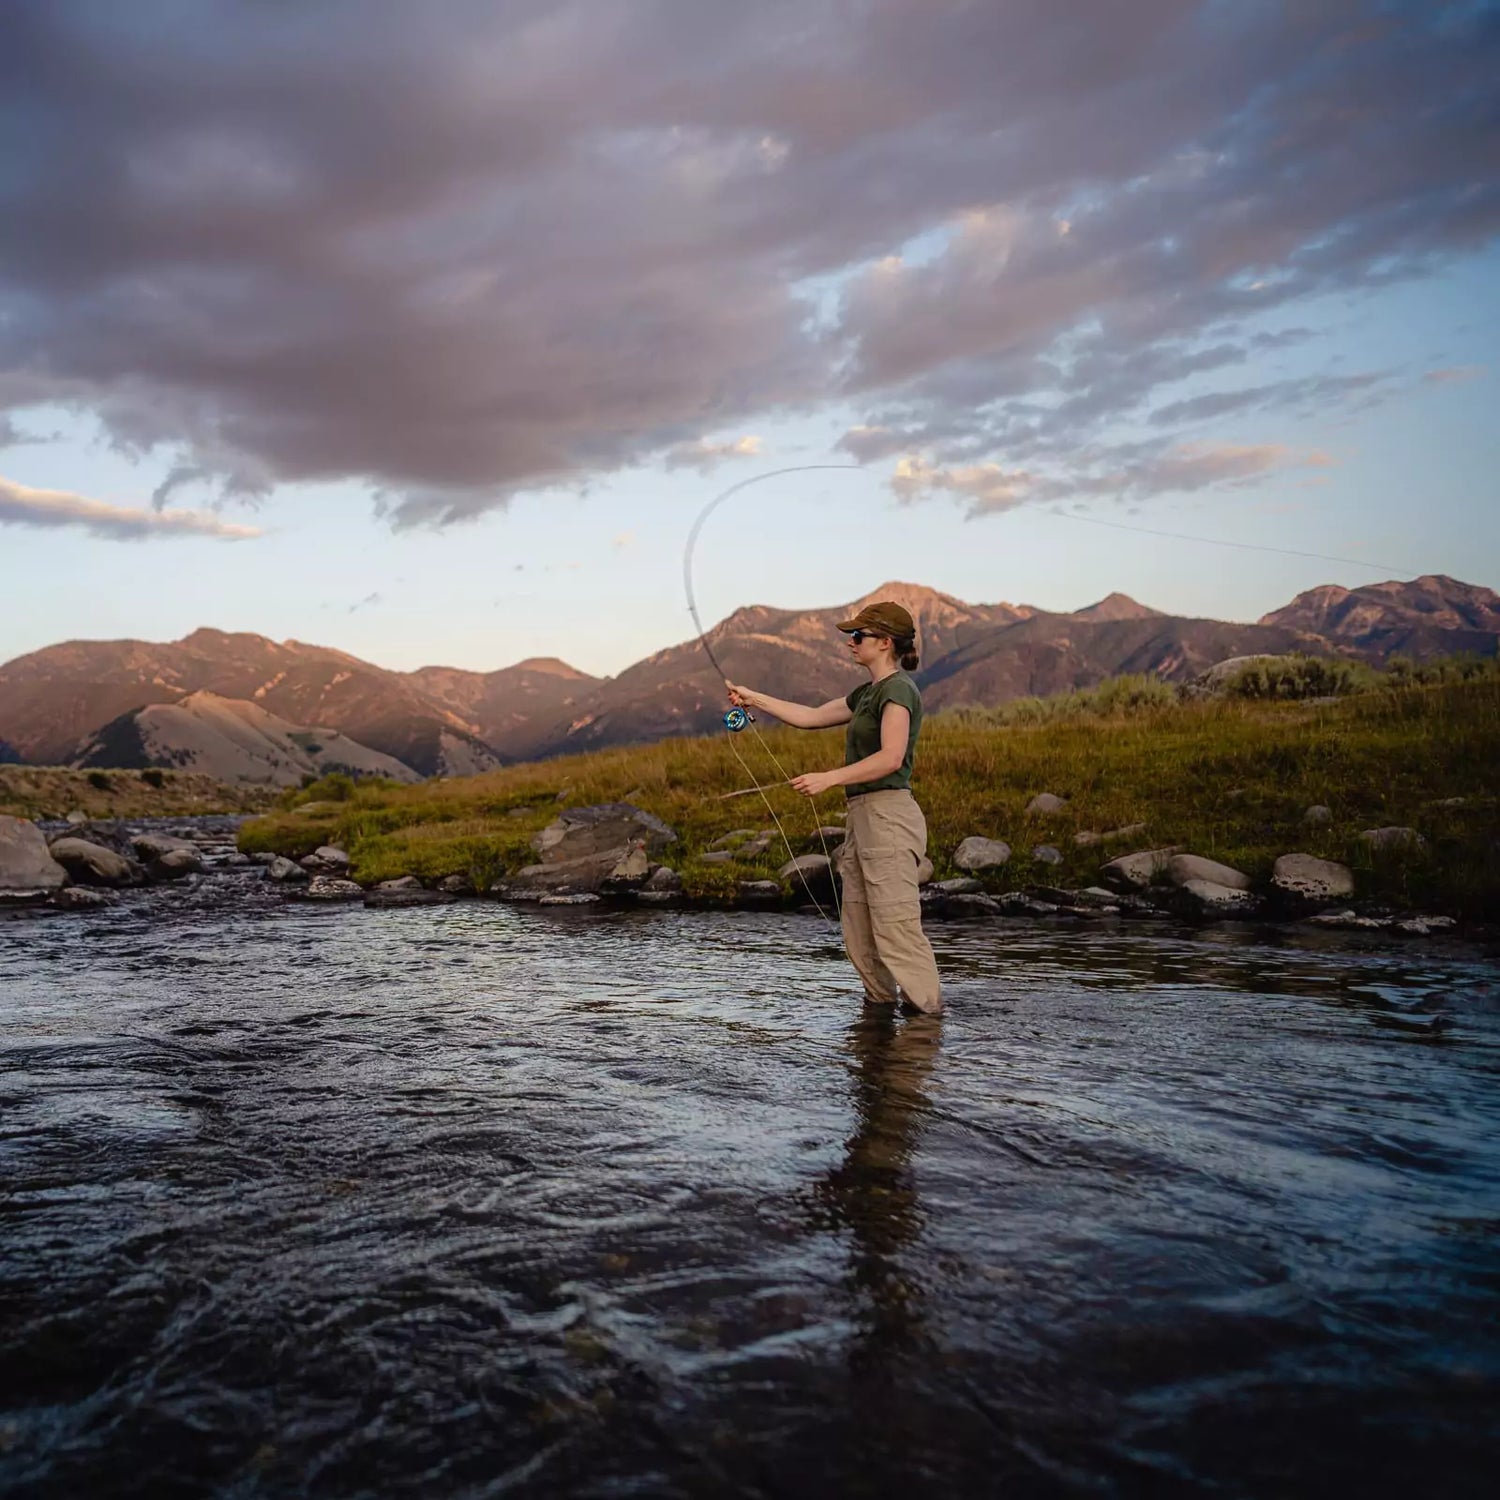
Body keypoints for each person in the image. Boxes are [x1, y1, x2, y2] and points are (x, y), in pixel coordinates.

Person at [726, 601, 942, 1015]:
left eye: (858, 636)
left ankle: (926, 1025)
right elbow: (808, 717)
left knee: (896, 930)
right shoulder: (867, 693)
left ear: (884, 642)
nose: (850, 642)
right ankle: (880, 1019)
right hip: (863, 818)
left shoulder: (898, 690)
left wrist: (829, 778)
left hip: (889, 817)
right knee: (859, 930)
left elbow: (891, 757)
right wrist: (755, 699)